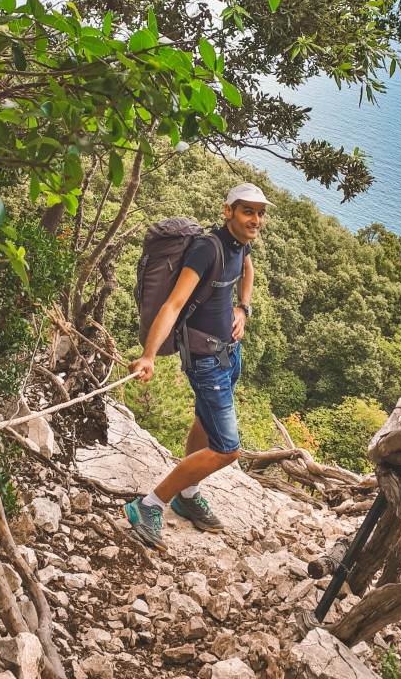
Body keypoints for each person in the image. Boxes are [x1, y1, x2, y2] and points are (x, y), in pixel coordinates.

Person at [123, 182, 272, 552]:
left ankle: (186, 494)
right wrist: (149, 355)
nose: (256, 219)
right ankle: (149, 505)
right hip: (206, 361)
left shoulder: (240, 244)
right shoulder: (207, 249)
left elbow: (247, 269)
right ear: (228, 211)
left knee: (205, 421)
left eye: (260, 212)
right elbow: (173, 305)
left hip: (229, 354)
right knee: (227, 449)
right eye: (247, 211)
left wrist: (244, 308)